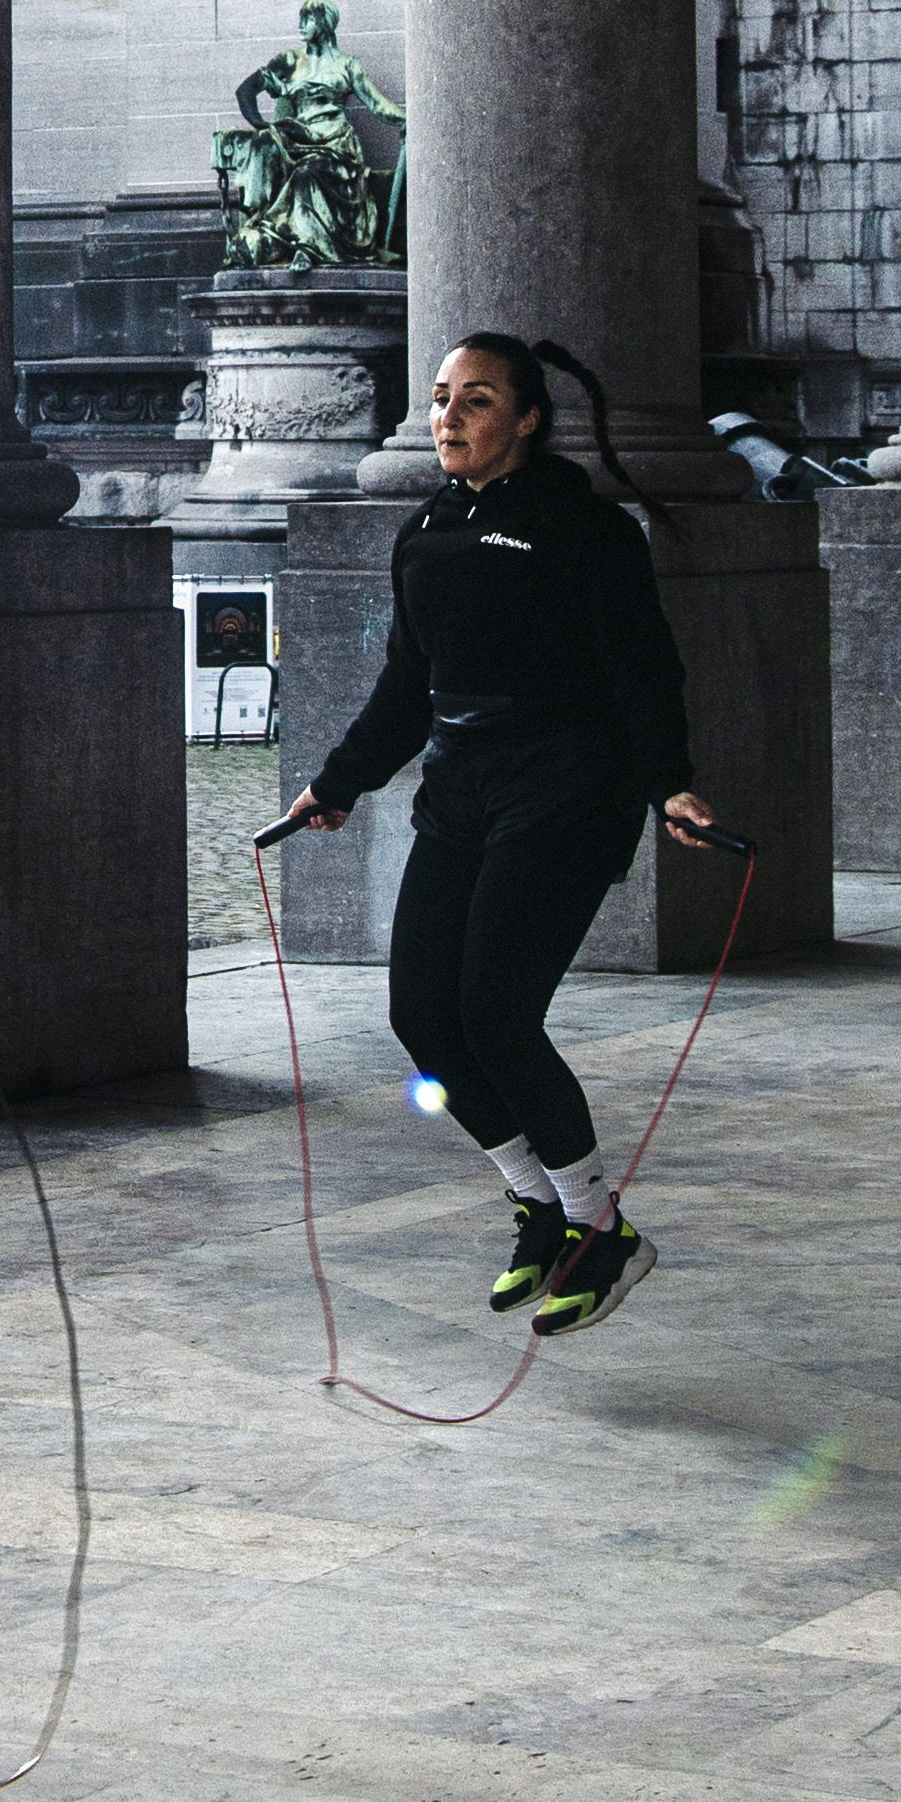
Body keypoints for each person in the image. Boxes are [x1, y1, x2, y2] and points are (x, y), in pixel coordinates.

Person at [267, 332, 721, 1338]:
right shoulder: (425, 529)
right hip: (462, 791)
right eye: (439, 399)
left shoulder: (587, 532)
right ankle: (538, 1202)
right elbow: (407, 687)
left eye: (476, 401)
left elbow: (646, 672)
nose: (449, 418)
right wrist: (336, 784)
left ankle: (602, 1230)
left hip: (568, 791)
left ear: (526, 419)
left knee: (495, 1012)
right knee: (423, 1018)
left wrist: (670, 787)